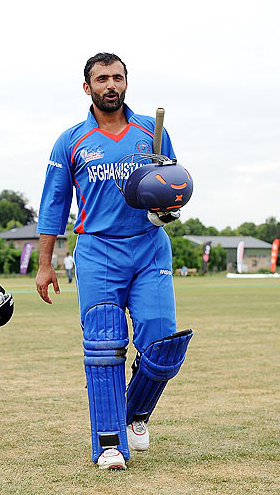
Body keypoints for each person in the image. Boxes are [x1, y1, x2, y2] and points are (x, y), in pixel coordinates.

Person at [35, 53, 193, 469]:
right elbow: (54, 204)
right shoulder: (71, 141)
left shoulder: (151, 132)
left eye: (117, 77)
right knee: (104, 346)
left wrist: (169, 207)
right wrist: (45, 262)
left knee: (162, 344)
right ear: (87, 87)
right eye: (102, 78)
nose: (111, 85)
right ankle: (109, 443)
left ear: (126, 83)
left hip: (149, 246)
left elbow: (172, 183)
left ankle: (135, 412)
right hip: (98, 251)